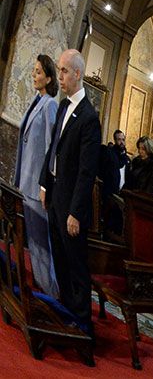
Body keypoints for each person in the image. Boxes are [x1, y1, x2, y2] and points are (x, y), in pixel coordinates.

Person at [39, 49, 102, 336]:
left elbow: (87, 172)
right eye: (60, 70)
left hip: (71, 205)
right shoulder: (64, 106)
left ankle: (82, 322)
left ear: (77, 74)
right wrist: (44, 183)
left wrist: (76, 212)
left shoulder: (89, 117)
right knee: (59, 259)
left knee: (75, 263)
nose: (60, 76)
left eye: (64, 71)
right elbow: (53, 149)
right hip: (55, 195)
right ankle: (66, 312)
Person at [13, 54, 60, 296]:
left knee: (42, 245)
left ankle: (51, 296)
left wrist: (45, 186)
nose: (34, 75)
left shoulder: (51, 104)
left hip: (37, 186)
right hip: (25, 181)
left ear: (49, 77)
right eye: (34, 71)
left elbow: (52, 148)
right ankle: (41, 291)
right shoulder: (36, 101)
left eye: (39, 72)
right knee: (33, 243)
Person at [99, 129, 129, 234]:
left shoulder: (126, 157)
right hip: (110, 192)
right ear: (115, 140)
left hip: (122, 193)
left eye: (123, 139)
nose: (121, 142)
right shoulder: (109, 153)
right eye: (119, 139)